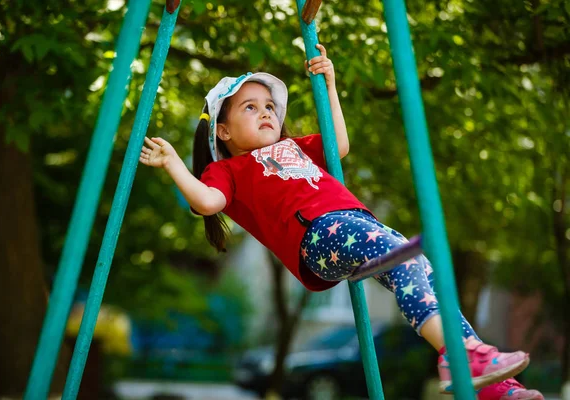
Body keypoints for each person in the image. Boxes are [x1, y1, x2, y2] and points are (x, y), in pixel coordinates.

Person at [139, 44, 544, 400]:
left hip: (356, 225)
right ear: (223, 130)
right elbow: (208, 202)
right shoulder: (231, 171)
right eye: (250, 107)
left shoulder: (293, 146)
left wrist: (330, 84)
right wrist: (173, 163)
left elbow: (339, 143)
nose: (265, 113)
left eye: (269, 106)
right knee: (407, 261)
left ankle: (489, 381)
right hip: (319, 236)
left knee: (423, 269)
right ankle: (460, 359)